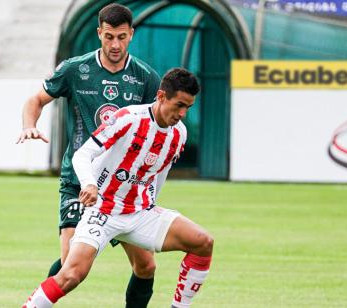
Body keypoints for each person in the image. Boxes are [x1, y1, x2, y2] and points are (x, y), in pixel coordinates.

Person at [22, 68, 214, 308]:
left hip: (138, 212)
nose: (183, 113)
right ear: (162, 96)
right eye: (179, 105)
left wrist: (149, 204)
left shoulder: (179, 134)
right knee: (71, 274)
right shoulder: (128, 118)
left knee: (202, 242)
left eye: (189, 107)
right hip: (103, 210)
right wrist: (90, 184)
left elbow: (159, 174)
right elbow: (82, 155)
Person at [16, 3, 161, 307]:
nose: (115, 45)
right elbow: (36, 99)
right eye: (109, 37)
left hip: (121, 188)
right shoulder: (75, 69)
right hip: (78, 181)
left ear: (131, 34)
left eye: (121, 37)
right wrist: (29, 125)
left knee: (146, 265)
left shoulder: (146, 77)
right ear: (99, 33)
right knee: (72, 265)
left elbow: (156, 126)